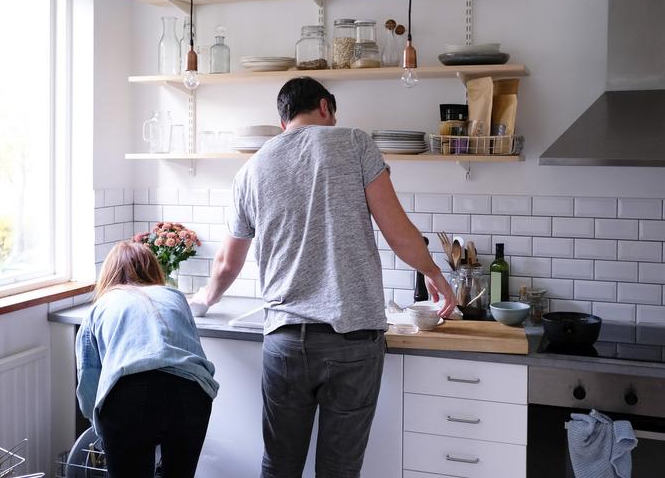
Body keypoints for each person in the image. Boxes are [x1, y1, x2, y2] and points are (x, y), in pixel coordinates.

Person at [191, 76, 457, 477]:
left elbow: (227, 264)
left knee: (279, 465)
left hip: (284, 341)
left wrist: (202, 301)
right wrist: (433, 271)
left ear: (283, 121)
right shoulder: (354, 143)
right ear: (324, 107)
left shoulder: (251, 169)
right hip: (353, 340)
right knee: (339, 470)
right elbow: (397, 230)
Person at [76, 241, 219, 478]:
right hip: (190, 390)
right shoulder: (175, 296)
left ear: (108, 274)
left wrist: (101, 426)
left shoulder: (99, 307)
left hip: (128, 393)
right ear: (153, 269)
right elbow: (193, 348)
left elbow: (89, 378)